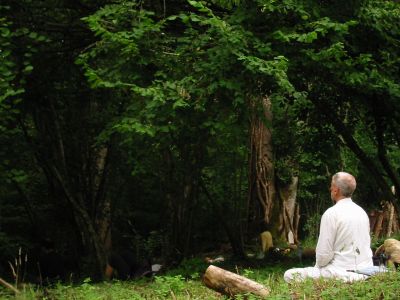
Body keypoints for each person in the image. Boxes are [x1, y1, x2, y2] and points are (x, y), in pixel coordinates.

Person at [284, 172, 373, 283]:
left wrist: (319, 267)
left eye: (331, 186)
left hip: (341, 273)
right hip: (365, 271)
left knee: (289, 274)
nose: (330, 188)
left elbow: (323, 256)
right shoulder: (362, 212)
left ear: (336, 190)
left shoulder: (331, 213)